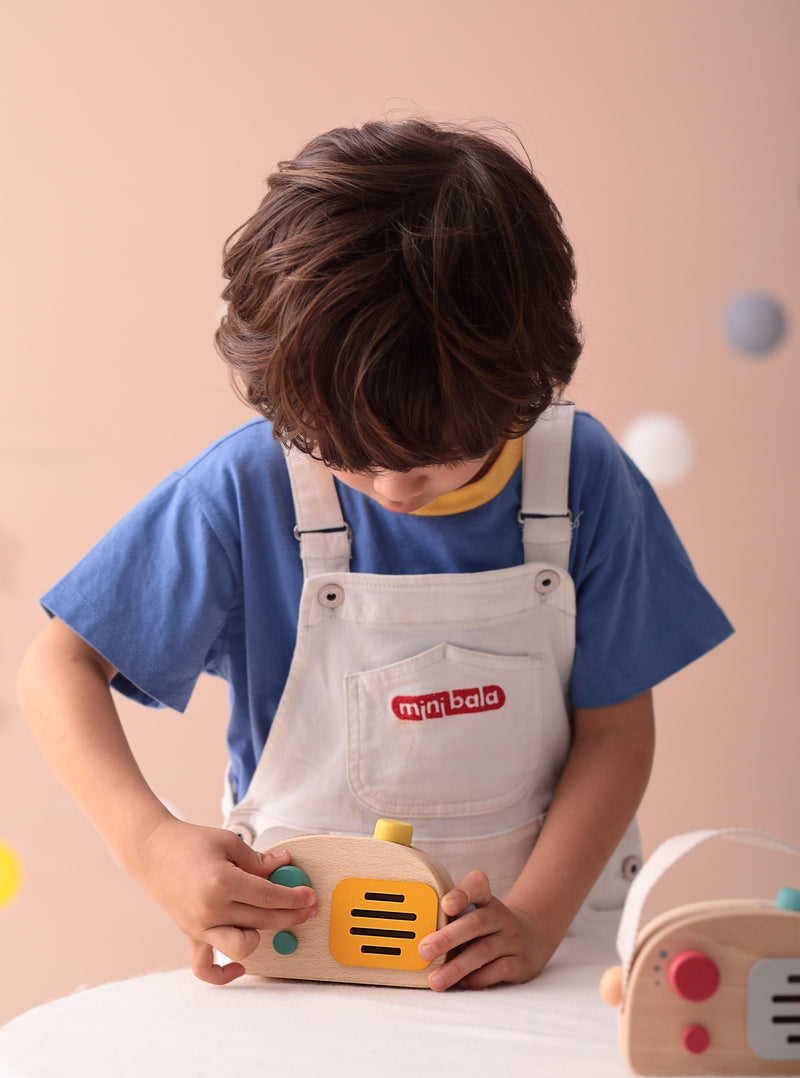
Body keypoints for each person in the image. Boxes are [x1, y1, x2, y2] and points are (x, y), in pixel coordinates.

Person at [18, 118, 733, 992]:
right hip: (307, 972)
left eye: (435, 456)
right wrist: (151, 843)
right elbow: (60, 663)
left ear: (528, 382)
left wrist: (537, 922)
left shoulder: (583, 479)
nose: (393, 489)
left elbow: (617, 731)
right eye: (343, 453)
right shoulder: (247, 486)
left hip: (547, 969)